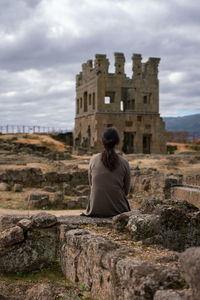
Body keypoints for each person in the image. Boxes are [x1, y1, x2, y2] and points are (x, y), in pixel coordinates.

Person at [83, 127, 131, 217]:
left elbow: (92, 185)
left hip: (95, 209)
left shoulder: (93, 160)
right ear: (117, 142)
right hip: (119, 210)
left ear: (102, 142)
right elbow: (126, 191)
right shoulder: (124, 162)